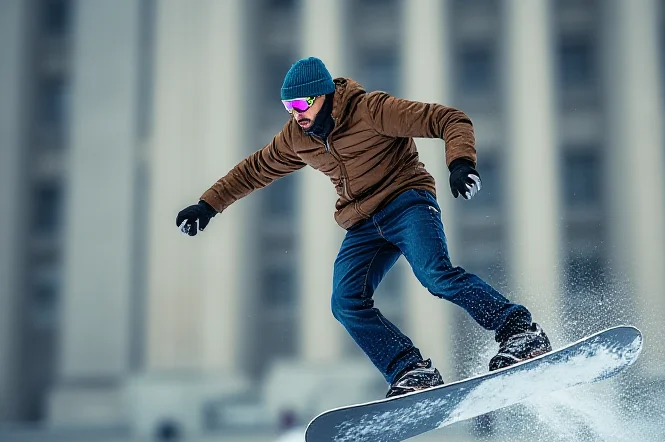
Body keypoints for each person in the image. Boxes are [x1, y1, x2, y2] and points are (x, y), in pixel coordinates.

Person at [176, 57, 552, 398]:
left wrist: (460, 163)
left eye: (302, 105)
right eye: (288, 107)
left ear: (324, 96)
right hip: (362, 223)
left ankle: (519, 330)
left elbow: (448, 119)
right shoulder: (296, 137)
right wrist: (208, 205)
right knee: (345, 302)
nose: (296, 115)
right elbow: (254, 169)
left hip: (406, 202)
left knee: (435, 275)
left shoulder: (372, 110)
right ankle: (411, 369)